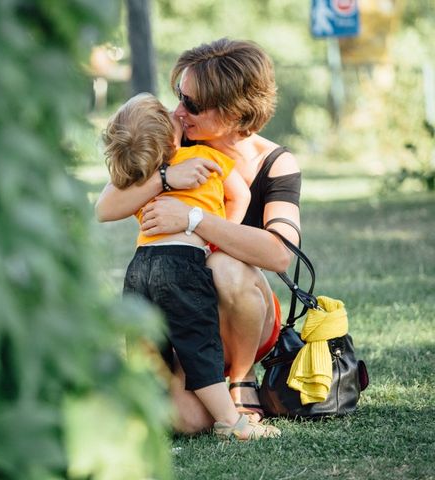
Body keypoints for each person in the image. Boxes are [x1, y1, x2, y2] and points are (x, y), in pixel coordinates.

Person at [95, 38, 301, 433]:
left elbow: (279, 255)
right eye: (179, 96)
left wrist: (193, 219)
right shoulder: (172, 141)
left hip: (241, 311)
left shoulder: (275, 163)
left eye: (192, 103)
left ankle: (242, 377)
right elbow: (106, 207)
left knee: (223, 263)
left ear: (234, 112)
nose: (178, 110)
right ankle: (203, 391)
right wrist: (166, 177)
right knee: (185, 422)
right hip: (184, 310)